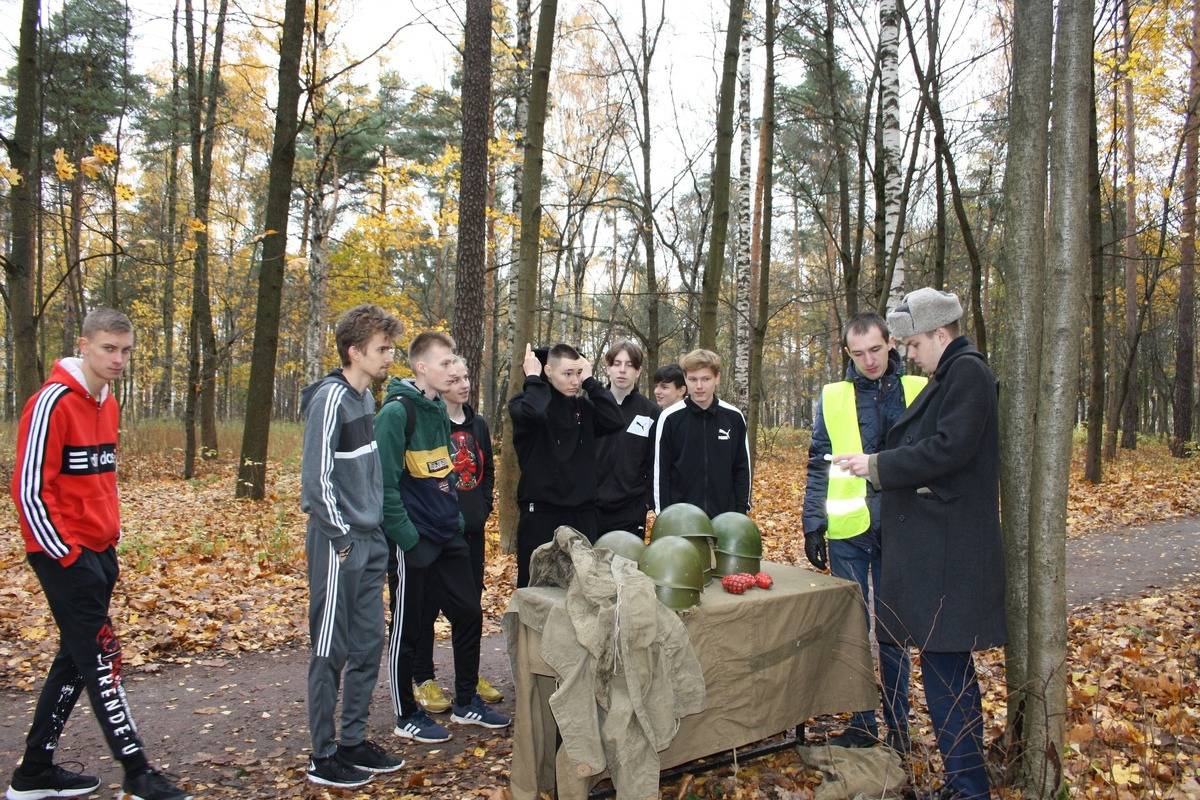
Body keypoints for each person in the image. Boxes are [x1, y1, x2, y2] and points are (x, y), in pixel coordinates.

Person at [6, 309, 191, 800]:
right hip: (63, 555)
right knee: (103, 656)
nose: (119, 359)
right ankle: (137, 770)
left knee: (75, 658)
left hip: (99, 550)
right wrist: (67, 554)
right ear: (83, 344)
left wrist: (107, 543)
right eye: (109, 348)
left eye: (126, 350)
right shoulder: (51, 402)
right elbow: (27, 489)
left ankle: (33, 773)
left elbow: (98, 480)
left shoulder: (107, 404)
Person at [834, 288, 1004, 800]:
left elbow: (950, 448)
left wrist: (879, 466)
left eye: (912, 344)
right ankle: (964, 782)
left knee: (947, 676)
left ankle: (968, 788)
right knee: (944, 673)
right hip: (940, 554)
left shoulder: (968, 373)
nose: (907, 354)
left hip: (950, 557)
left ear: (939, 333)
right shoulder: (952, 375)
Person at [378, 332, 510, 746]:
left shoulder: (436, 408)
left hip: (447, 534)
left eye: (456, 361)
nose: (455, 369)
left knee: (469, 612)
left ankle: (467, 701)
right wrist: (409, 540)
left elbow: (444, 472)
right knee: (409, 627)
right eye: (446, 362)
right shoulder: (397, 413)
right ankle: (406, 713)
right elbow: (383, 487)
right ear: (422, 368)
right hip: (414, 541)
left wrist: (453, 519)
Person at [802, 312, 926, 752]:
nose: (869, 361)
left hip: (903, 526)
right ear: (848, 353)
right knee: (854, 630)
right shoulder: (833, 396)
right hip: (848, 529)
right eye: (859, 354)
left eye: (876, 350)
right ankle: (861, 722)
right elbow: (819, 460)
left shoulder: (918, 389)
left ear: (890, 343)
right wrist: (813, 522)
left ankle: (899, 726)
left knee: (894, 631)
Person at [299, 304, 405, 789]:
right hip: (337, 543)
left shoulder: (366, 400)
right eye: (382, 349)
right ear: (355, 351)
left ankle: (352, 742)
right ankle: (322, 756)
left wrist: (375, 533)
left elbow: (369, 476)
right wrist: (342, 541)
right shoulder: (330, 399)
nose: (390, 357)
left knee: (368, 643)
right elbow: (315, 484)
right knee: (330, 649)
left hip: (369, 541)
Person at [410, 356, 504, 714]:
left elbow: (487, 469)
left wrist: (481, 509)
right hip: (437, 531)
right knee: (427, 606)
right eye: (455, 380)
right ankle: (424, 677)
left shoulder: (477, 423)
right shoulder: (431, 423)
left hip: (471, 531)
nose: (463, 385)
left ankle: (470, 674)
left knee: (470, 606)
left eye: (466, 378)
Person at [508, 343, 624, 587]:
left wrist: (591, 382)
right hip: (540, 513)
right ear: (548, 371)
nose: (575, 381)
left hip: (582, 513)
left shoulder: (583, 408)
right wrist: (532, 378)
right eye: (567, 374)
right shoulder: (524, 403)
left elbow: (615, 420)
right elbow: (535, 413)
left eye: (578, 373)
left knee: (582, 585)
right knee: (535, 587)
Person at [653, 349, 751, 516]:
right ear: (685, 379)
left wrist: (740, 512)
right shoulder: (670, 418)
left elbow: (742, 468)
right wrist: (664, 515)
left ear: (717, 378)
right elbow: (661, 472)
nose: (699, 386)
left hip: (725, 517)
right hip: (682, 518)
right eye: (693, 379)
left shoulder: (733, 417)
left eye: (706, 379)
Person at [595, 340, 660, 538]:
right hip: (590, 508)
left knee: (626, 567)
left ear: (638, 371)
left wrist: (647, 501)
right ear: (608, 369)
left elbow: (654, 461)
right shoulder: (590, 406)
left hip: (631, 510)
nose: (622, 370)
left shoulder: (651, 412)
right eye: (617, 363)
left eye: (629, 365)